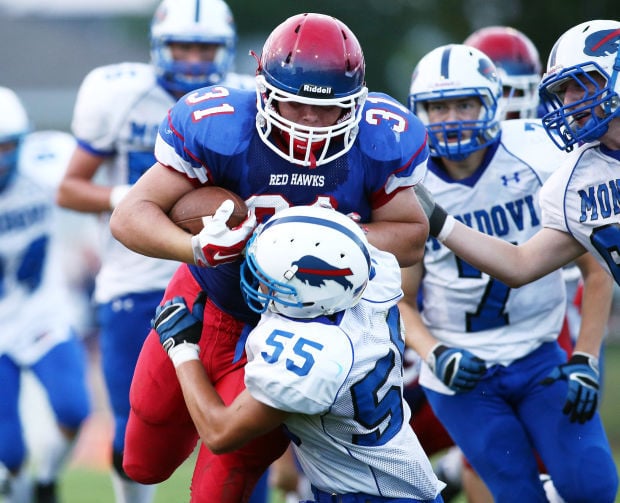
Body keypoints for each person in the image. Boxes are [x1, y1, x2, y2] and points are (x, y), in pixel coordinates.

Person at [109, 12, 431, 502]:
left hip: (290, 330)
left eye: (328, 110)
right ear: (264, 92)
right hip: (206, 298)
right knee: (142, 462)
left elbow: (412, 235)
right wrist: (195, 247)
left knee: (222, 484)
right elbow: (130, 215)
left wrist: (330, 237)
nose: (311, 121)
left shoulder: (379, 138)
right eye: (296, 105)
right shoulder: (221, 127)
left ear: (357, 104)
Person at [55, 0, 254, 501]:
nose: (191, 60)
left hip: (229, 285)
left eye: (204, 47)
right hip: (136, 276)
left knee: (249, 431)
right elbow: (70, 189)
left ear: (225, 49)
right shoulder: (119, 94)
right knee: (132, 434)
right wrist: (131, 201)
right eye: (181, 47)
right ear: (157, 48)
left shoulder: (247, 99)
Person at [401, 42, 617, 502]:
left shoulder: (542, 159)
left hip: (539, 355)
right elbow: (402, 299)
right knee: (517, 494)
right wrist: (435, 353)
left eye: (465, 102)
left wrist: (585, 356)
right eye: (438, 107)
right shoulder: (412, 181)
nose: (452, 117)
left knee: (594, 488)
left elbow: (593, 270)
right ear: (417, 112)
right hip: (465, 371)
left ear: (494, 102)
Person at [151, 205, 445, 502]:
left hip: (370, 496)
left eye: (270, 278)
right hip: (383, 486)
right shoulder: (371, 286)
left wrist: (183, 349)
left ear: (304, 293)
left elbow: (219, 433)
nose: (260, 282)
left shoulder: (314, 355)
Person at [0, 87, 91, 503]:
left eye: (6, 147)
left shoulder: (47, 164)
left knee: (74, 409)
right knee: (9, 450)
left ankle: (47, 480)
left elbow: (100, 163)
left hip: (41, 311)